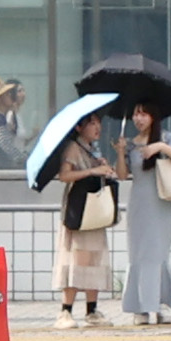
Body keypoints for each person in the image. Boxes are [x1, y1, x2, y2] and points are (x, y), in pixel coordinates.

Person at [48, 107, 121, 325]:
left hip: (93, 211)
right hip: (79, 210)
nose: (97, 127)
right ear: (79, 127)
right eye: (91, 123)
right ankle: (66, 310)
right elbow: (65, 175)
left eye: (98, 122)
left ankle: (92, 309)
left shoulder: (92, 149)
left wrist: (102, 167)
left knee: (94, 258)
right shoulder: (73, 147)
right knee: (76, 258)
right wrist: (91, 171)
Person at [125, 100, 171, 323]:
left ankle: (156, 305)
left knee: (157, 254)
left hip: (160, 203)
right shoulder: (130, 144)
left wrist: (160, 147)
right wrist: (119, 152)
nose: (139, 119)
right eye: (136, 114)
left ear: (153, 117)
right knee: (138, 254)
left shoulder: (167, 138)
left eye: (144, 113)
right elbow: (121, 174)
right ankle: (140, 308)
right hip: (138, 204)